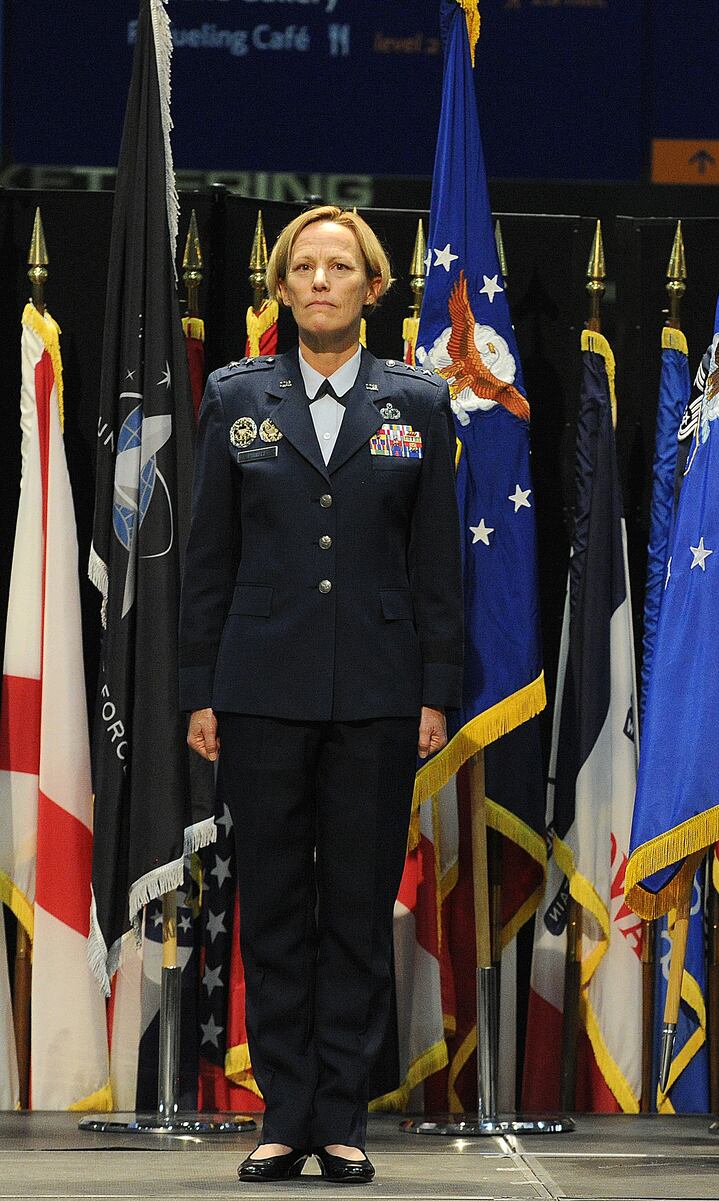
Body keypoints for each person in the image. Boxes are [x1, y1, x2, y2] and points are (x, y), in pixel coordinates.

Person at [180, 205, 463, 1185]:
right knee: (274, 907)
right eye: (303, 267)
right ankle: (282, 1114)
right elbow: (208, 559)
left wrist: (435, 689)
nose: (319, 282)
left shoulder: (418, 404)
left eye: (339, 267)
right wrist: (198, 690)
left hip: (379, 695)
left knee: (353, 908)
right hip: (259, 688)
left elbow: (436, 569)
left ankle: (340, 1117)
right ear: (283, 288)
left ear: (373, 289)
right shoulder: (235, 395)